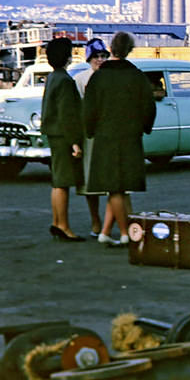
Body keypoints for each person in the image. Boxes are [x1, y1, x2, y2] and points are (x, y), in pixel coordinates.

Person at [83, 31, 156, 246]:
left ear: (111, 48)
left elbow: (89, 109)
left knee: (114, 186)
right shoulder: (137, 76)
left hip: (106, 136)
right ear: (129, 50)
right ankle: (123, 233)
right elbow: (149, 108)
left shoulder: (99, 77)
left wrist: (90, 130)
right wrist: (143, 127)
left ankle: (114, 233)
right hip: (130, 136)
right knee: (121, 187)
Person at [42, 37, 85, 242]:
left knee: (57, 182)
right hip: (63, 136)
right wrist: (75, 142)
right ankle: (64, 226)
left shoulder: (52, 77)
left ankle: (57, 222)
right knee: (63, 182)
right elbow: (67, 114)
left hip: (53, 134)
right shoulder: (66, 80)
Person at [73, 38, 111, 239]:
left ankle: (108, 222)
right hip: (89, 135)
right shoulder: (80, 79)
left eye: (103, 56)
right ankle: (95, 219)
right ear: (89, 58)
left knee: (112, 181)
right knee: (90, 181)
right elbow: (76, 109)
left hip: (109, 134)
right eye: (96, 56)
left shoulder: (112, 77)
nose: (100, 59)